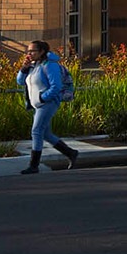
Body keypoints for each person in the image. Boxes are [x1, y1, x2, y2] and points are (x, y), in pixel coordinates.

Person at [20, 40, 80, 173]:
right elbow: (20, 81)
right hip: (38, 104)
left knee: (36, 131)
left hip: (48, 103)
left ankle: (34, 165)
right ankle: (71, 153)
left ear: (42, 52)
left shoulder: (50, 65)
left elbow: (56, 86)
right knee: (45, 133)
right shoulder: (34, 65)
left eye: (33, 51)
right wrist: (24, 68)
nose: (29, 54)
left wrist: (43, 97)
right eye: (28, 51)